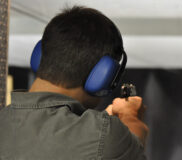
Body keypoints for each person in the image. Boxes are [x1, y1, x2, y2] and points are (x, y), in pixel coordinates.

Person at [0, 6, 148, 160]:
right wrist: (130, 116)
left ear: (39, 55)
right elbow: (133, 146)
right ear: (104, 76)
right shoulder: (105, 137)